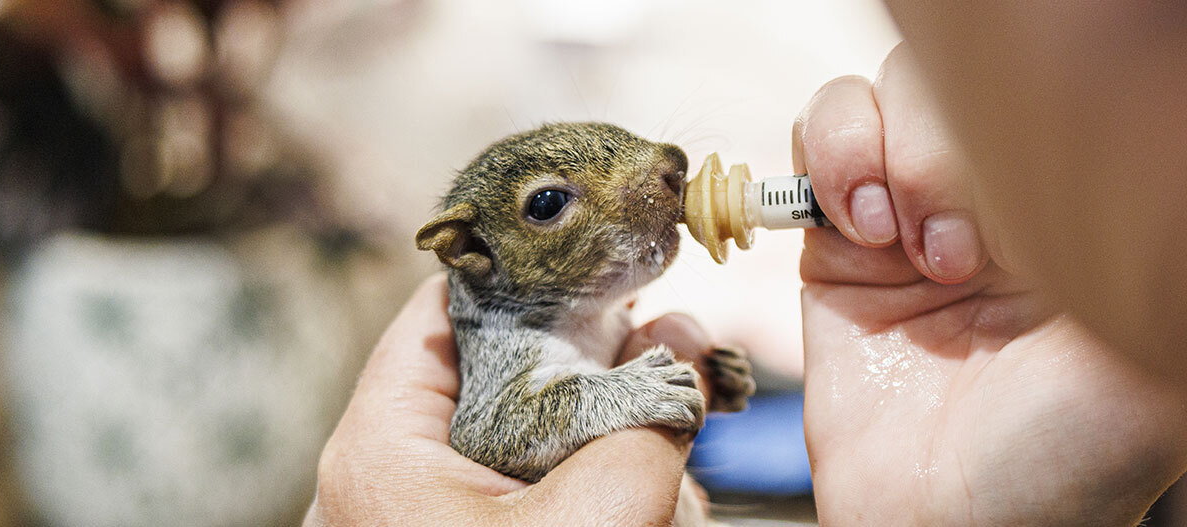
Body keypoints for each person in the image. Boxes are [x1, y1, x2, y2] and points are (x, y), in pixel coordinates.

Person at [305, 3, 1187, 525]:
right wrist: (624, 397)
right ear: (476, 255)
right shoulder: (491, 341)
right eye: (553, 205)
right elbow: (499, 430)